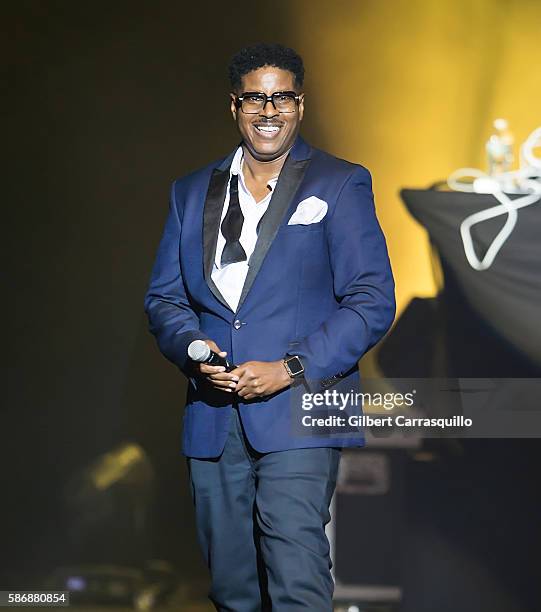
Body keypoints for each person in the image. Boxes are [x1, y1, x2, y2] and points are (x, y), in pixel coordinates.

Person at [144, 43, 395, 612]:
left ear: (300, 106)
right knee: (232, 592)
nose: (269, 109)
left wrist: (290, 367)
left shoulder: (339, 182)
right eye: (255, 97)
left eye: (282, 97)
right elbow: (164, 298)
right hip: (213, 417)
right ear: (234, 106)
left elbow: (373, 300)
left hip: (302, 410)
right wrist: (193, 347)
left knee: (296, 580)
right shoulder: (190, 191)